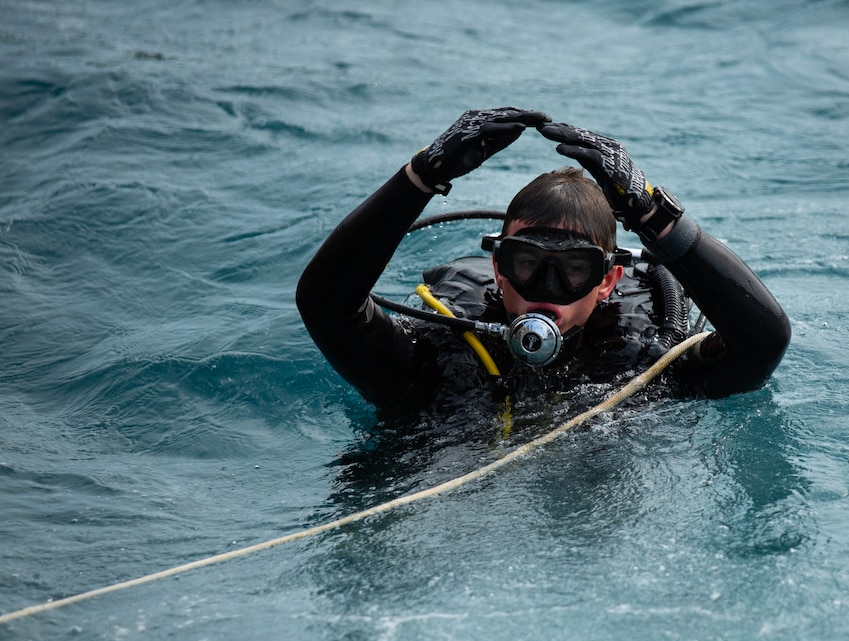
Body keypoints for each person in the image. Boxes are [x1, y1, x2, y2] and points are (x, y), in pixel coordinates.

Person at [296, 107, 790, 419]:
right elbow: (326, 305)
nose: (545, 287)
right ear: (497, 267)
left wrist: (653, 213)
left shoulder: (649, 365)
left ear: (608, 280)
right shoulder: (437, 359)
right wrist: (421, 176)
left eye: (575, 269)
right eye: (526, 261)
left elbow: (763, 340)